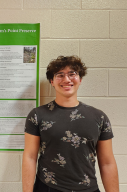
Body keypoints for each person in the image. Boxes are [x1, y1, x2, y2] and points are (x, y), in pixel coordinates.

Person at [22, 56, 119, 192]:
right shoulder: (37, 115)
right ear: (52, 82)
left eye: (72, 74)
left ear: (80, 79)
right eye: (59, 75)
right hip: (48, 187)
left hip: (88, 188)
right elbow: (30, 157)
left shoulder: (99, 117)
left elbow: (107, 163)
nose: (66, 80)